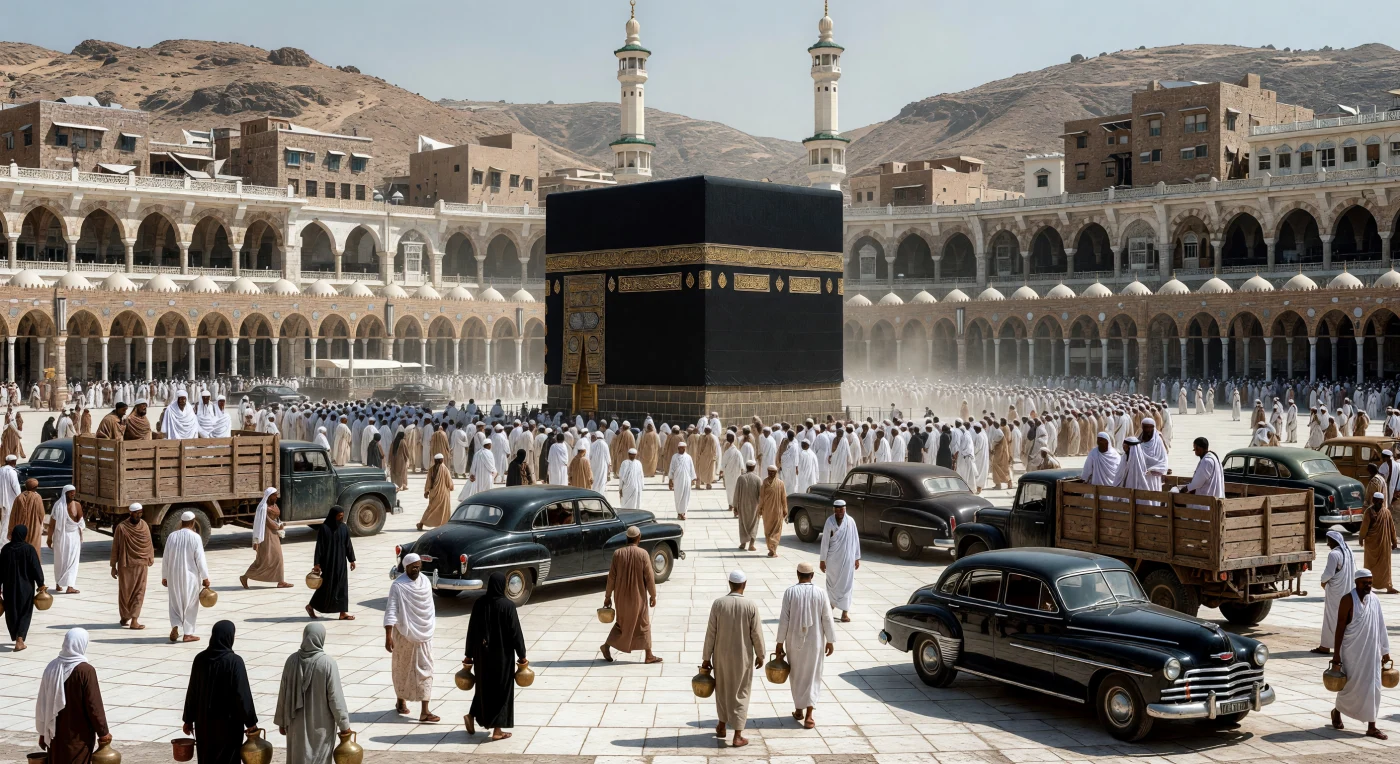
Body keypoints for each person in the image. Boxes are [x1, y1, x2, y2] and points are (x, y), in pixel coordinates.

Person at [701, 570, 765, 748]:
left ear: (730, 584)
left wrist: (706, 658)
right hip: (742, 657)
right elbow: (756, 633)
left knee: (722, 689)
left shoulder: (718, 604)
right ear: (744, 584)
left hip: (721, 656)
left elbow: (711, 632)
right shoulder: (750, 605)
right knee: (740, 691)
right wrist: (761, 654)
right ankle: (737, 735)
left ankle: (722, 726)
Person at [182, 620, 259, 764]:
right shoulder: (234, 662)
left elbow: (192, 691)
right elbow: (242, 695)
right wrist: (251, 723)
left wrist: (188, 719)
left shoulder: (200, 659)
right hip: (228, 725)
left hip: (204, 724)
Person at [463, 572, 528, 740]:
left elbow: (472, 631)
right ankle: (497, 731)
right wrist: (522, 655)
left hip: (481, 655)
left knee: (484, 687)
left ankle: (471, 715)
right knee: (502, 690)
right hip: (502, 656)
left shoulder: (479, 603)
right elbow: (515, 632)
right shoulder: (508, 606)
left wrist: (469, 655)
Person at [275, 623, 353, 764]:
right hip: (321, 727)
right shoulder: (327, 663)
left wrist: (281, 721)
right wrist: (344, 726)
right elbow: (335, 698)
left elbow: (283, 693)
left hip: (295, 726)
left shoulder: (291, 661)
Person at [1329, 569, 1391, 739]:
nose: (1368, 586)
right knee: (1350, 687)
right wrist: (1336, 655)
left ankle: (1372, 726)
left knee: (1374, 688)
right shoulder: (1348, 600)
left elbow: (1381, 625)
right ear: (1356, 582)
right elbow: (1340, 628)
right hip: (1352, 652)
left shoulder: (1375, 599)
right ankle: (1337, 711)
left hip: (1372, 653)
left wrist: (1385, 651)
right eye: (1365, 583)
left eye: (1370, 582)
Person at [774, 561, 836, 730]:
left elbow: (784, 619)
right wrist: (830, 640)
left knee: (797, 675)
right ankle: (808, 715)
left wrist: (779, 643)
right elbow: (827, 618)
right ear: (812, 576)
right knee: (813, 675)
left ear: (797, 574)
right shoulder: (820, 593)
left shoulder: (790, 592)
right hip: (815, 642)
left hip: (794, 642)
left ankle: (799, 710)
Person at [36, 628, 110, 764]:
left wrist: (42, 732)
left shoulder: (52, 667)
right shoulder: (85, 670)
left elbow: (42, 703)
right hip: (78, 738)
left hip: (55, 737)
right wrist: (103, 732)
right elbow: (93, 704)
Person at [384, 554, 439, 723]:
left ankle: (425, 711)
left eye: (418, 566)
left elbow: (429, 608)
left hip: (424, 635)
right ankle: (401, 700)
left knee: (426, 669)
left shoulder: (425, 582)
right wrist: (388, 636)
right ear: (406, 567)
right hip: (404, 634)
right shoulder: (398, 586)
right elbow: (391, 610)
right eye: (413, 567)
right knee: (402, 668)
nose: (417, 569)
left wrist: (429, 626)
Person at [600, 525, 660, 663]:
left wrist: (607, 597)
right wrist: (653, 595)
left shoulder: (618, 554)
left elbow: (611, 577)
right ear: (639, 538)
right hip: (638, 597)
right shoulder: (643, 554)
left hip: (620, 597)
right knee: (643, 623)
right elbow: (649, 577)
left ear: (627, 538)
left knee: (621, 624)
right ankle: (649, 655)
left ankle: (606, 646)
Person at [163, 511, 211, 643]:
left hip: (173, 575)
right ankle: (188, 634)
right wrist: (205, 577)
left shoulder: (172, 536)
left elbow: (166, 557)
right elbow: (200, 559)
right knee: (190, 603)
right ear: (193, 522)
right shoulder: (195, 537)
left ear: (181, 522)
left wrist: (165, 576)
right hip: (190, 577)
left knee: (174, 602)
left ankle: (175, 626)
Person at [307, 506, 356, 621]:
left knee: (342, 586)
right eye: (339, 516)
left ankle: (342, 613)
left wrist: (352, 560)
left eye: (342, 516)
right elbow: (319, 546)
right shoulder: (324, 528)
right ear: (333, 516)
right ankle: (310, 606)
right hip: (328, 562)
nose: (341, 518)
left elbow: (348, 544)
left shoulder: (343, 527)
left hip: (341, 563)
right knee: (326, 586)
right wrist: (317, 564)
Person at [111, 503, 154, 628]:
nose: (139, 515)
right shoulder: (122, 528)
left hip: (141, 564)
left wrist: (150, 556)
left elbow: (148, 542)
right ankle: (125, 616)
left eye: (140, 513)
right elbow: (115, 547)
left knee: (139, 591)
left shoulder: (144, 525)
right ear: (130, 513)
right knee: (125, 593)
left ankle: (134, 619)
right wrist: (113, 566)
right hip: (126, 565)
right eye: (136, 513)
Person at [1, 524, 44, 650]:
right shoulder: (29, 549)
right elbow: (35, 567)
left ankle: (16, 636)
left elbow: (0, 570)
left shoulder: (6, 549)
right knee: (25, 611)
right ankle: (20, 639)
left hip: (9, 587)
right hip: (26, 588)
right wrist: (41, 583)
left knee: (11, 611)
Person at [1314, 527, 1355, 654]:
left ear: (1335, 541)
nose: (1328, 544)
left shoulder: (1334, 554)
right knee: (1345, 618)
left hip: (1335, 592)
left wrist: (1322, 581)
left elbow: (1329, 573)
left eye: (1329, 541)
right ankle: (1344, 644)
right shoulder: (1349, 551)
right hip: (1348, 589)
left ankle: (1325, 646)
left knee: (1331, 618)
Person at [819, 499, 861, 622]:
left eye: (841, 510)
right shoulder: (830, 521)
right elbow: (825, 542)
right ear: (834, 510)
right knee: (832, 584)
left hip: (848, 559)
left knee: (847, 585)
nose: (839, 512)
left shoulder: (851, 522)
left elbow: (856, 539)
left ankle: (845, 613)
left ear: (845, 509)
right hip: (833, 560)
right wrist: (822, 560)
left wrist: (857, 557)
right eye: (836, 510)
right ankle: (830, 607)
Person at [241, 488, 290, 589]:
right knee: (264, 560)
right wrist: (256, 541)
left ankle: (281, 581)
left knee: (278, 557)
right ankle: (245, 576)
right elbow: (265, 522)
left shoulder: (274, 505)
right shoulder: (263, 508)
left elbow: (276, 519)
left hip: (274, 534)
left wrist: (280, 525)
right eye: (274, 495)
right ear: (269, 496)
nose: (276, 497)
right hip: (266, 536)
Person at [1359, 491, 1399, 594]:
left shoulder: (1386, 512)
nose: (1379, 503)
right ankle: (1368, 585)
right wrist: (1361, 538)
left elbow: (1392, 528)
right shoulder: (1368, 512)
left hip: (1384, 544)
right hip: (1371, 544)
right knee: (1369, 565)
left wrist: (1394, 541)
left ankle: (1388, 586)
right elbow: (1364, 527)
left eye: (1381, 502)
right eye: (1377, 501)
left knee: (1385, 566)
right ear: (1373, 501)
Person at [46, 485, 82, 594]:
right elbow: (52, 524)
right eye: (71, 492)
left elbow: (80, 522)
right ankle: (58, 583)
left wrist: (80, 535)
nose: (73, 494)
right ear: (65, 493)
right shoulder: (58, 506)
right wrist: (49, 538)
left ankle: (70, 586)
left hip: (73, 536)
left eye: (74, 492)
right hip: (60, 537)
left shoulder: (77, 505)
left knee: (72, 561)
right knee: (60, 560)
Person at [418, 454, 454, 531]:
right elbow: (449, 482)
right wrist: (451, 487)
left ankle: (421, 523)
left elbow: (428, 481)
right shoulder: (445, 469)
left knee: (430, 509)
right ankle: (442, 524)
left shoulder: (431, 469)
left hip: (433, 493)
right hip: (443, 493)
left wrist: (427, 491)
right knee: (443, 510)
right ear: (442, 460)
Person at [9, 478, 44, 555]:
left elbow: (13, 515)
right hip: (33, 528)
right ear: (35, 487)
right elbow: (41, 514)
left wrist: (11, 530)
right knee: (33, 549)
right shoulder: (37, 497)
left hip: (20, 529)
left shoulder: (19, 497)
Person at [759, 465, 787, 558]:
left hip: (777, 510)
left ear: (776, 473)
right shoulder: (765, 482)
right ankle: (770, 548)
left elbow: (783, 497)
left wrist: (785, 509)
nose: (771, 474)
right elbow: (761, 497)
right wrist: (760, 509)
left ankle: (773, 550)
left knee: (776, 530)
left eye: (773, 472)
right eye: (769, 472)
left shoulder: (780, 483)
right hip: (767, 511)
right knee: (768, 530)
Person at [734, 460, 762, 551]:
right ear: (754, 467)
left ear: (746, 467)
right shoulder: (758, 479)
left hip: (743, 505)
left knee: (743, 523)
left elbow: (736, 493)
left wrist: (735, 506)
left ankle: (743, 543)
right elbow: (761, 495)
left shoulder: (741, 478)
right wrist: (762, 507)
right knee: (754, 524)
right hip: (755, 506)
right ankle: (751, 544)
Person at [668, 439, 696, 520]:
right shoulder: (674, 457)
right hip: (678, 479)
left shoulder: (688, 457)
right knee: (678, 496)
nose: (683, 449)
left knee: (686, 496)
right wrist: (670, 479)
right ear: (678, 448)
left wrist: (693, 478)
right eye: (681, 448)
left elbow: (691, 468)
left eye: (684, 448)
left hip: (687, 479)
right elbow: (672, 468)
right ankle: (679, 513)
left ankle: (683, 513)